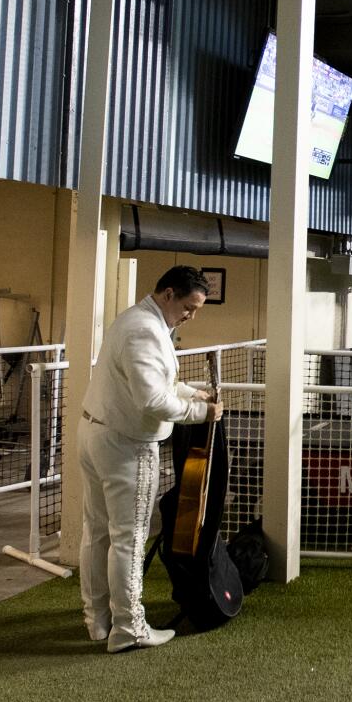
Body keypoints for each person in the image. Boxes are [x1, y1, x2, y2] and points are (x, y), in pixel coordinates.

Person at [78, 265, 217, 653]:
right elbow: (152, 400)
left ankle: (97, 620)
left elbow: (150, 382)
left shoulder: (134, 319)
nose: (191, 315)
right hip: (126, 445)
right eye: (189, 307)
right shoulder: (146, 330)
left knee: (98, 531)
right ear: (168, 294)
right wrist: (201, 413)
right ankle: (129, 627)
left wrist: (190, 391)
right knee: (130, 537)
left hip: (95, 432)